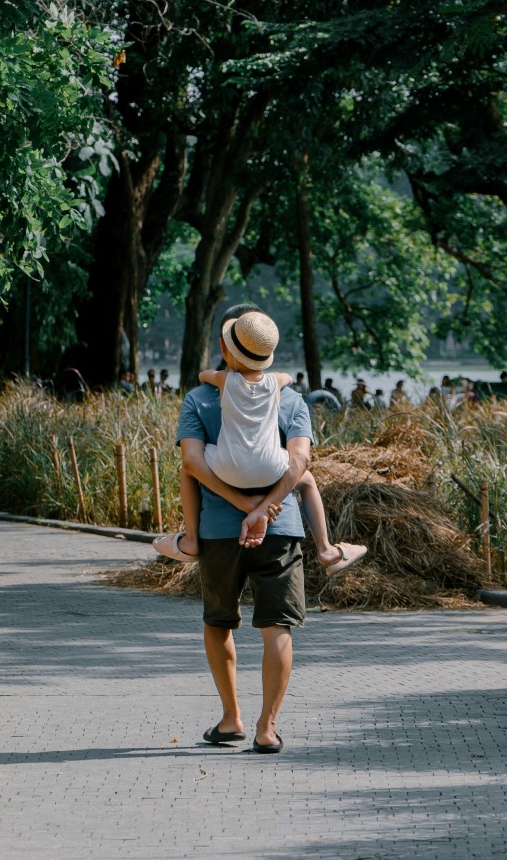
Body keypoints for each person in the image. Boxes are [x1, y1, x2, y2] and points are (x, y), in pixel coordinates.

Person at [154, 306, 367, 753]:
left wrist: (242, 507)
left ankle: (230, 718)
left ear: (223, 348)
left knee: (218, 623)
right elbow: (299, 464)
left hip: (215, 533)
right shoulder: (290, 400)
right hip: (281, 527)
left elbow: (191, 463)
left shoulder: (200, 399)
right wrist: (264, 509)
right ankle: (266, 728)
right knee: (278, 628)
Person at [155, 310, 365, 577]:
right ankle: (325, 549)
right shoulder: (277, 385)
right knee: (307, 478)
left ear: (224, 348)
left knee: (189, 467)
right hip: (272, 468)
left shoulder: (223, 383)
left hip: (226, 468)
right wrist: (266, 507)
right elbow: (288, 384)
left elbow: (203, 375)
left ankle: (191, 541)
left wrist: (247, 504)